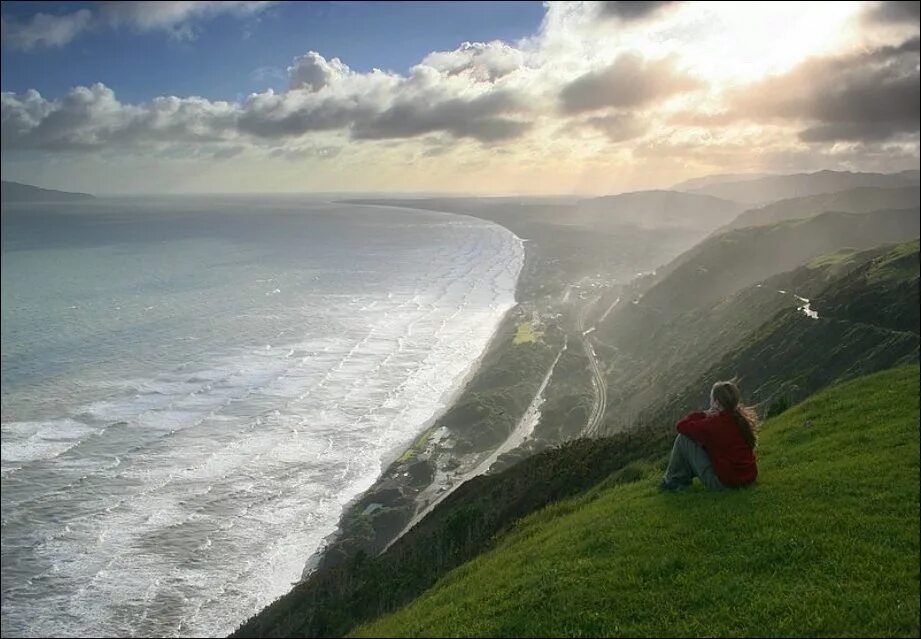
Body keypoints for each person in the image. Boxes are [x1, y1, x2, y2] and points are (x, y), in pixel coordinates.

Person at [660, 380, 759, 492]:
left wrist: (704, 414)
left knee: (683, 439)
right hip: (749, 478)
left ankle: (671, 482)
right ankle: (678, 478)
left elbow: (681, 426)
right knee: (699, 441)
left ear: (716, 403)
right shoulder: (739, 419)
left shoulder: (714, 424)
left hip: (726, 484)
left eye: (711, 399)